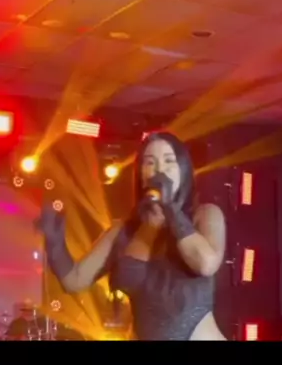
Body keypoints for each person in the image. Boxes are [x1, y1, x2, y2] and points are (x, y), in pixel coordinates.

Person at [37, 132, 227, 341]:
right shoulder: (123, 231)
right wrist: (55, 245)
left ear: (183, 171)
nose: (159, 170)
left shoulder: (204, 215)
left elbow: (206, 264)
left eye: (168, 161)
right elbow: (74, 280)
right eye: (150, 163)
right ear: (141, 175)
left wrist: (170, 210)